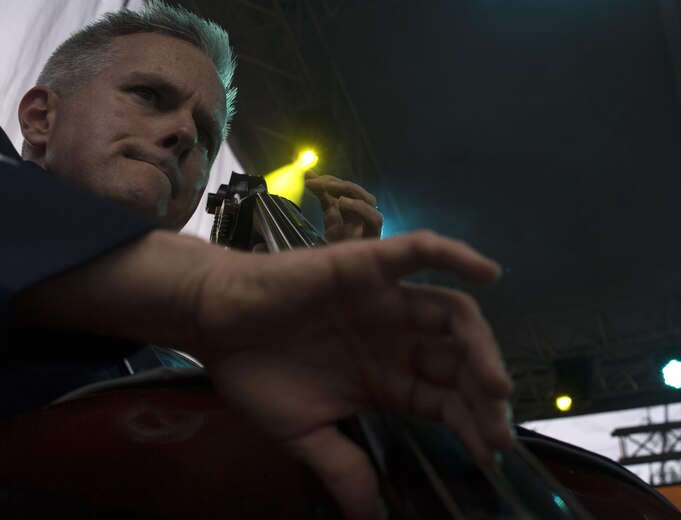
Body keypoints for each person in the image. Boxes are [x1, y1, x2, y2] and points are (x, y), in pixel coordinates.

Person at [0, 2, 512, 518]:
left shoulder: (179, 376)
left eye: (205, 136)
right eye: (149, 95)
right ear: (41, 117)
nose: (182, 134)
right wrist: (216, 294)